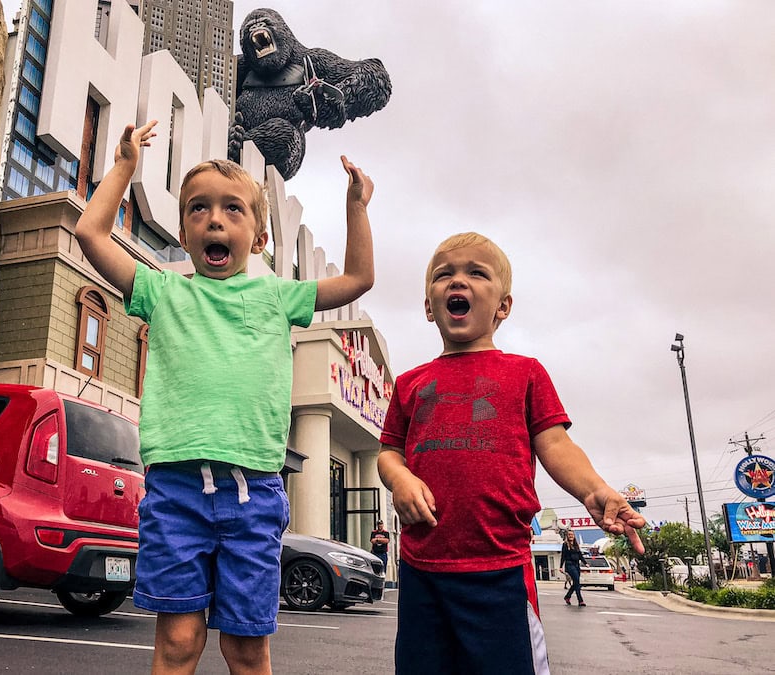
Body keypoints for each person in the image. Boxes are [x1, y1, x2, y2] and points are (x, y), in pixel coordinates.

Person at [75, 120, 375, 675]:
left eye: (233, 209)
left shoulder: (277, 296)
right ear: (184, 232)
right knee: (178, 641)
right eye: (199, 209)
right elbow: (91, 236)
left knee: (246, 648)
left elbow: (358, 278)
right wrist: (123, 167)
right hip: (176, 492)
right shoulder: (161, 289)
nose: (215, 218)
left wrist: (356, 206)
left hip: (252, 493)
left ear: (259, 238)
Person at [376, 232, 646, 675]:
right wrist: (400, 478)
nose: (456, 281)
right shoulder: (410, 383)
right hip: (422, 571)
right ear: (429, 306)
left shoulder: (525, 373)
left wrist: (594, 491)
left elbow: (556, 443)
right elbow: (389, 452)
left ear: (503, 306)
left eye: (476, 273)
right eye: (444, 275)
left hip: (500, 571)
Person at [560, 530, 588, 607]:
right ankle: (580, 600)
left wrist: (585, 563)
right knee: (577, 582)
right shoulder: (565, 545)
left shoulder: (576, 545)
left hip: (576, 565)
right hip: (569, 565)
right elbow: (563, 556)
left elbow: (580, 555)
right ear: (567, 536)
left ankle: (567, 596)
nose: (570, 536)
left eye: (572, 534)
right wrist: (561, 566)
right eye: (569, 535)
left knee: (576, 583)